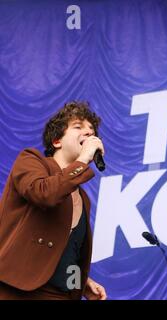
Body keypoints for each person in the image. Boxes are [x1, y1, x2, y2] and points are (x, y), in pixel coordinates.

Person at [0, 101, 107, 300]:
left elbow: (70, 252)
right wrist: (82, 160)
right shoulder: (31, 160)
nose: (88, 133)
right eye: (78, 127)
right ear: (57, 141)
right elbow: (44, 194)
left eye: (92, 131)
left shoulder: (83, 199)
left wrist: (82, 285)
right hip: (17, 289)